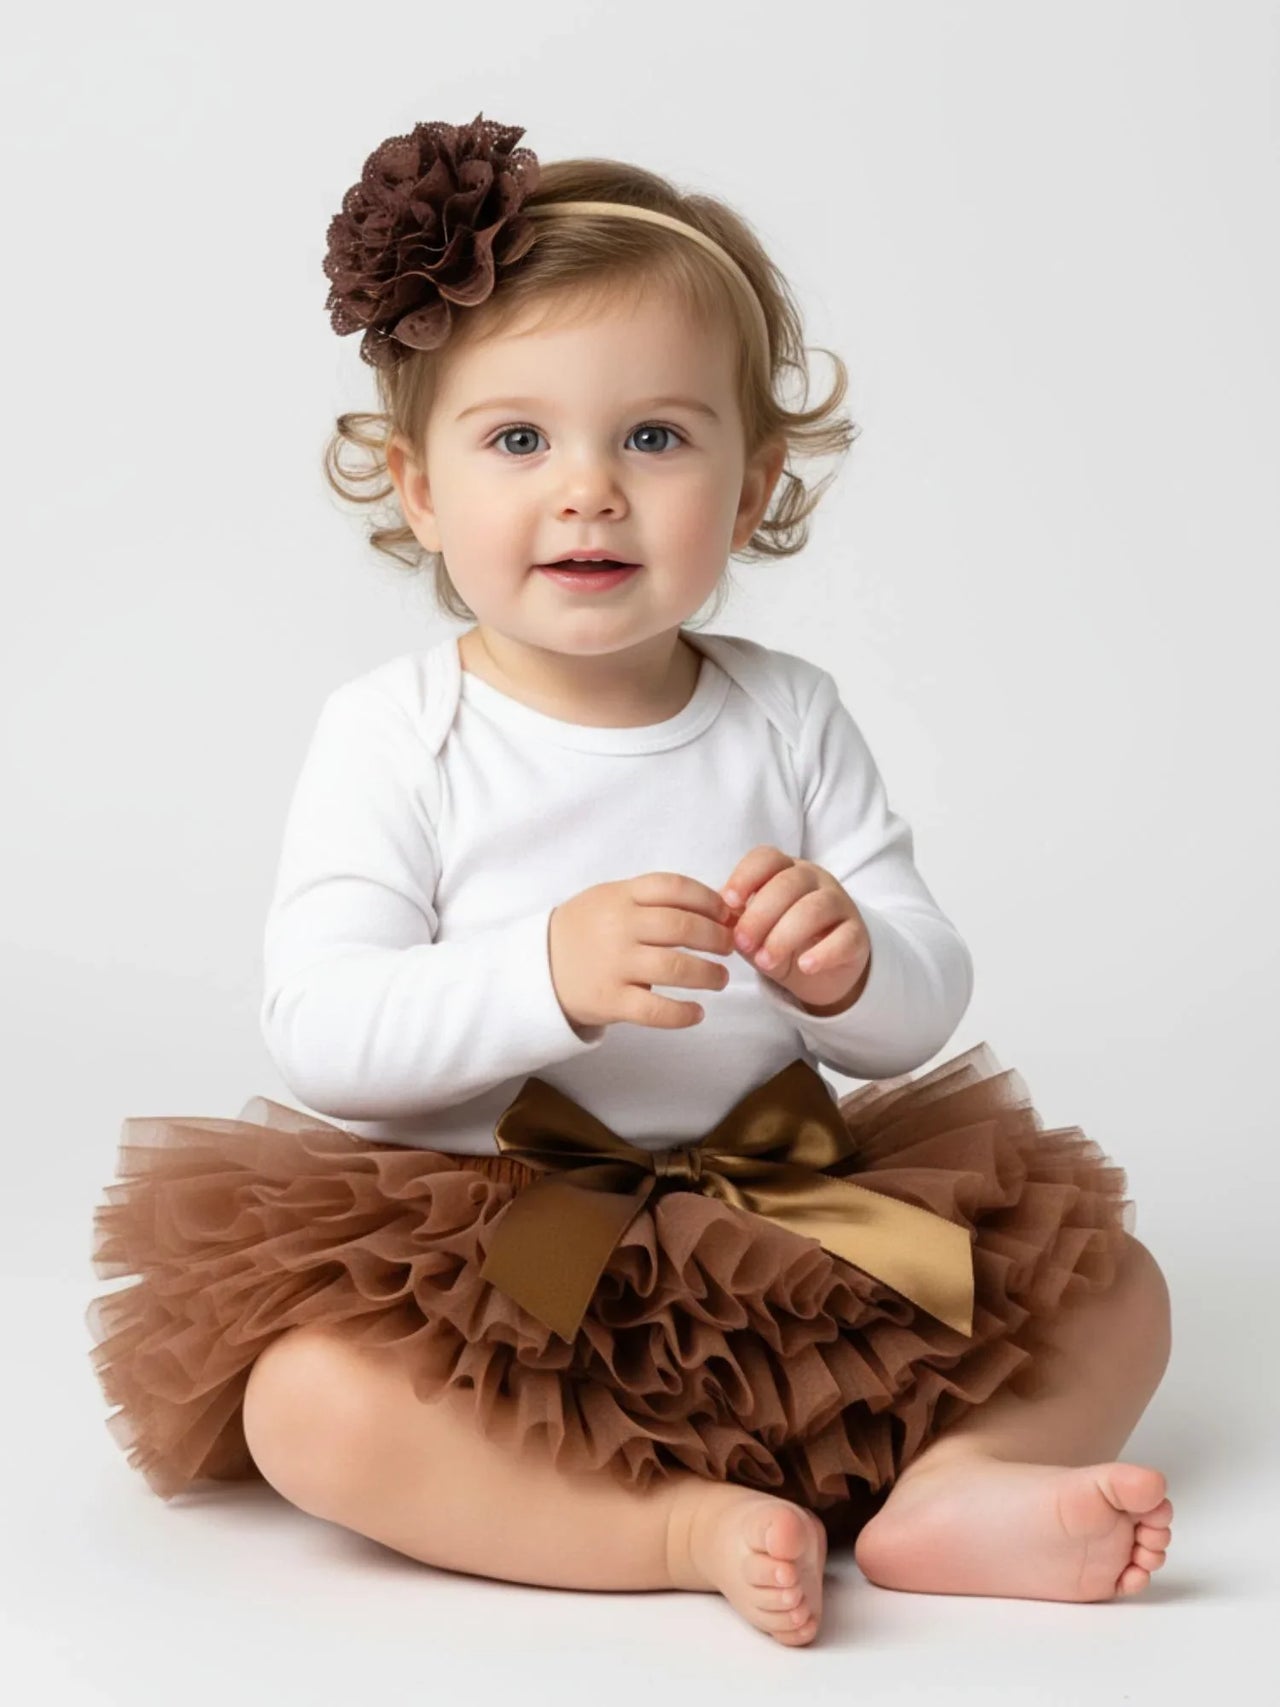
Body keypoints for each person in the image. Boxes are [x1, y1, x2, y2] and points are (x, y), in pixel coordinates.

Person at [86, 112, 1174, 1647]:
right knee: (309, 1410)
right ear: (414, 487)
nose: (590, 489)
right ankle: (666, 1526)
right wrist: (538, 974)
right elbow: (322, 1025)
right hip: (492, 1248)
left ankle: (960, 1487)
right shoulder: (401, 734)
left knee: (1114, 1283)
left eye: (655, 437)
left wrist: (857, 964)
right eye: (519, 439)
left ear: (748, 490)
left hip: (783, 1206)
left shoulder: (787, 711)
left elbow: (924, 994)